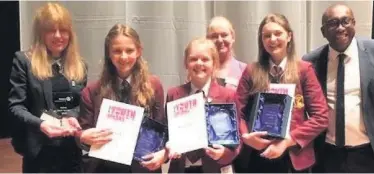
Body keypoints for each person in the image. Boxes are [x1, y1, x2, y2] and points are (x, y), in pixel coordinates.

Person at [303, 4, 374, 173]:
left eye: (346, 21)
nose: (340, 28)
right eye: (333, 23)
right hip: (329, 155)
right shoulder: (311, 61)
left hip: (373, 152)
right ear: (323, 31)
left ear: (354, 24)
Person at [235, 13, 329, 173]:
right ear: (261, 40)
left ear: (289, 36)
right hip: (257, 156)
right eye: (267, 35)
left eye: (278, 33)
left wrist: (288, 140)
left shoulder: (304, 70)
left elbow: (321, 116)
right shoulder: (251, 71)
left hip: (294, 158)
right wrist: (247, 138)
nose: (272, 39)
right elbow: (237, 112)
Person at [8, 2, 87, 172]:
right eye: (51, 30)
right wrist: (41, 124)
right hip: (39, 152)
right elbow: (16, 106)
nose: (58, 36)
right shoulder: (24, 61)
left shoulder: (80, 65)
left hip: (71, 151)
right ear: (40, 33)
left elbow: (81, 105)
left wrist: (71, 117)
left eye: (63, 30)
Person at [78, 24, 167, 173]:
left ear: (139, 51)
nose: (124, 57)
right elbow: (83, 135)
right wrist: (83, 137)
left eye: (129, 50)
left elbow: (161, 129)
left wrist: (162, 154)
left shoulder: (154, 86)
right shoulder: (92, 91)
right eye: (117, 51)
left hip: (143, 168)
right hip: (105, 168)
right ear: (109, 53)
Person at [166, 37, 243, 173]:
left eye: (205, 59)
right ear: (186, 63)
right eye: (193, 59)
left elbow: (237, 139)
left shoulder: (228, 96)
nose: (199, 63)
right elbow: (167, 134)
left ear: (214, 64)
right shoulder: (174, 94)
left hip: (216, 168)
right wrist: (169, 145)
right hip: (182, 168)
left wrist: (224, 153)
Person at [205, 16, 246, 90]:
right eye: (214, 36)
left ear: (233, 37)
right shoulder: (201, 70)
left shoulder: (245, 71)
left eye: (224, 35)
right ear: (207, 40)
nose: (220, 40)